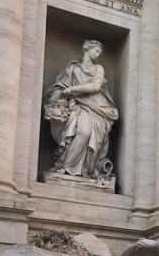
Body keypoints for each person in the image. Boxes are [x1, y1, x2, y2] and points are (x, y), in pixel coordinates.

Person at [43, 40, 118, 181]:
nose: (97, 54)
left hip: (97, 108)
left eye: (99, 53)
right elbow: (60, 86)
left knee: (87, 133)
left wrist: (71, 89)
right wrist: (61, 95)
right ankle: (66, 167)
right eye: (95, 51)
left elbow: (95, 87)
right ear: (86, 49)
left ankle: (83, 169)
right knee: (83, 131)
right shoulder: (72, 68)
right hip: (77, 105)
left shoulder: (98, 69)